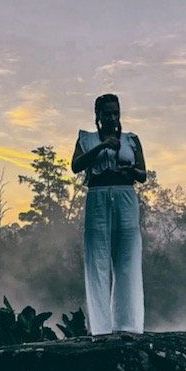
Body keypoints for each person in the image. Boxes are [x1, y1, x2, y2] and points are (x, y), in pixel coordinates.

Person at [71, 94, 147, 335]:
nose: (112, 117)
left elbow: (143, 174)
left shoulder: (131, 140)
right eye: (107, 113)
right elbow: (76, 166)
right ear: (98, 116)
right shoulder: (87, 138)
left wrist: (129, 170)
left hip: (125, 196)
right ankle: (101, 329)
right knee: (98, 261)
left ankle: (128, 325)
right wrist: (103, 146)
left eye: (115, 112)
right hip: (98, 196)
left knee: (128, 261)